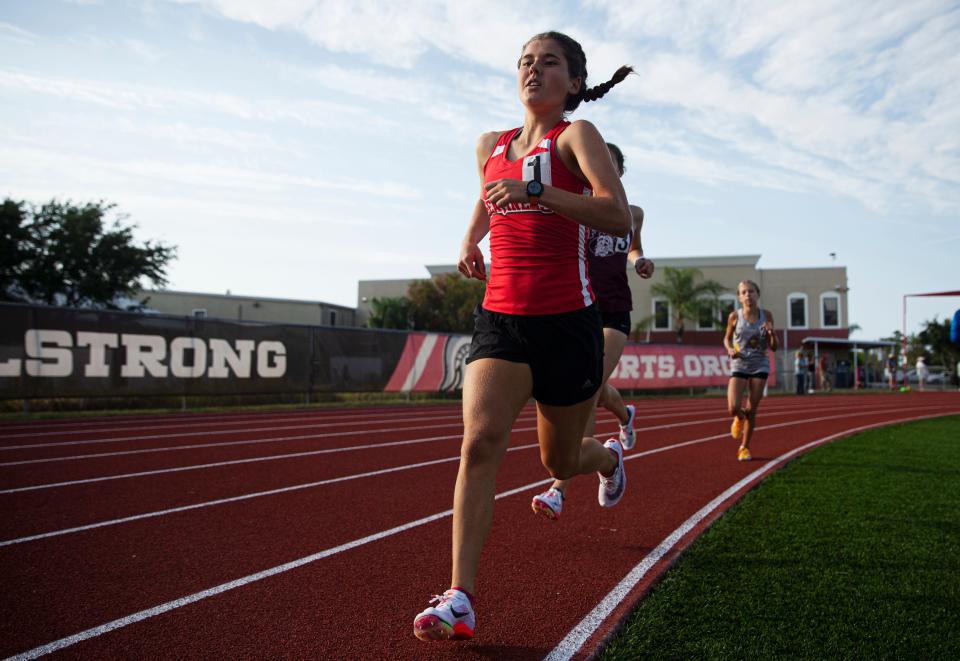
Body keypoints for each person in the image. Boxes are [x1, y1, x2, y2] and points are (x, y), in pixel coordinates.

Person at [413, 31, 634, 642]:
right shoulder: (492, 144)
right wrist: (468, 240)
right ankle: (460, 597)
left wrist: (541, 192)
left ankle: (607, 456)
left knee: (560, 459)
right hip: (501, 318)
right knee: (480, 443)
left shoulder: (576, 137)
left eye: (549, 63)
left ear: (574, 83)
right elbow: (489, 196)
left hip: (569, 321)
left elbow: (615, 211)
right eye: (525, 63)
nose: (533, 71)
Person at [530, 142, 655, 521]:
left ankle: (559, 489)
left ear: (617, 171)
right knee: (594, 388)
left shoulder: (633, 213)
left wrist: (639, 260)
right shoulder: (578, 208)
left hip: (614, 310)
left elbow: (632, 247)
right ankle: (625, 417)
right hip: (578, 308)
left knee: (588, 387)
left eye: (609, 165)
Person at [724, 280, 778, 461]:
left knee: (752, 409)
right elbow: (727, 339)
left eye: (751, 291)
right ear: (739, 297)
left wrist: (771, 333)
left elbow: (775, 347)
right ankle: (738, 418)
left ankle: (744, 448)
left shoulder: (767, 315)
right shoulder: (734, 316)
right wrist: (729, 349)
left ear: (757, 294)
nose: (748, 295)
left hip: (760, 364)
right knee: (733, 408)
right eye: (744, 292)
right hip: (739, 363)